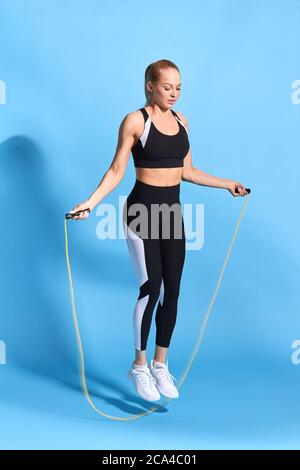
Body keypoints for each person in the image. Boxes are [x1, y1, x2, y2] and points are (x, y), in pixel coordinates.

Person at [67, 59, 248, 402]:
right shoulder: (136, 121)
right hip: (141, 212)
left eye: (179, 87)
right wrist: (90, 202)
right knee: (150, 289)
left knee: (173, 291)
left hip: (172, 214)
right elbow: (117, 169)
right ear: (150, 85)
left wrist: (227, 184)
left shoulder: (182, 121)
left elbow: (189, 171)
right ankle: (138, 366)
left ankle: (160, 365)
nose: (174, 94)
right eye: (168, 87)